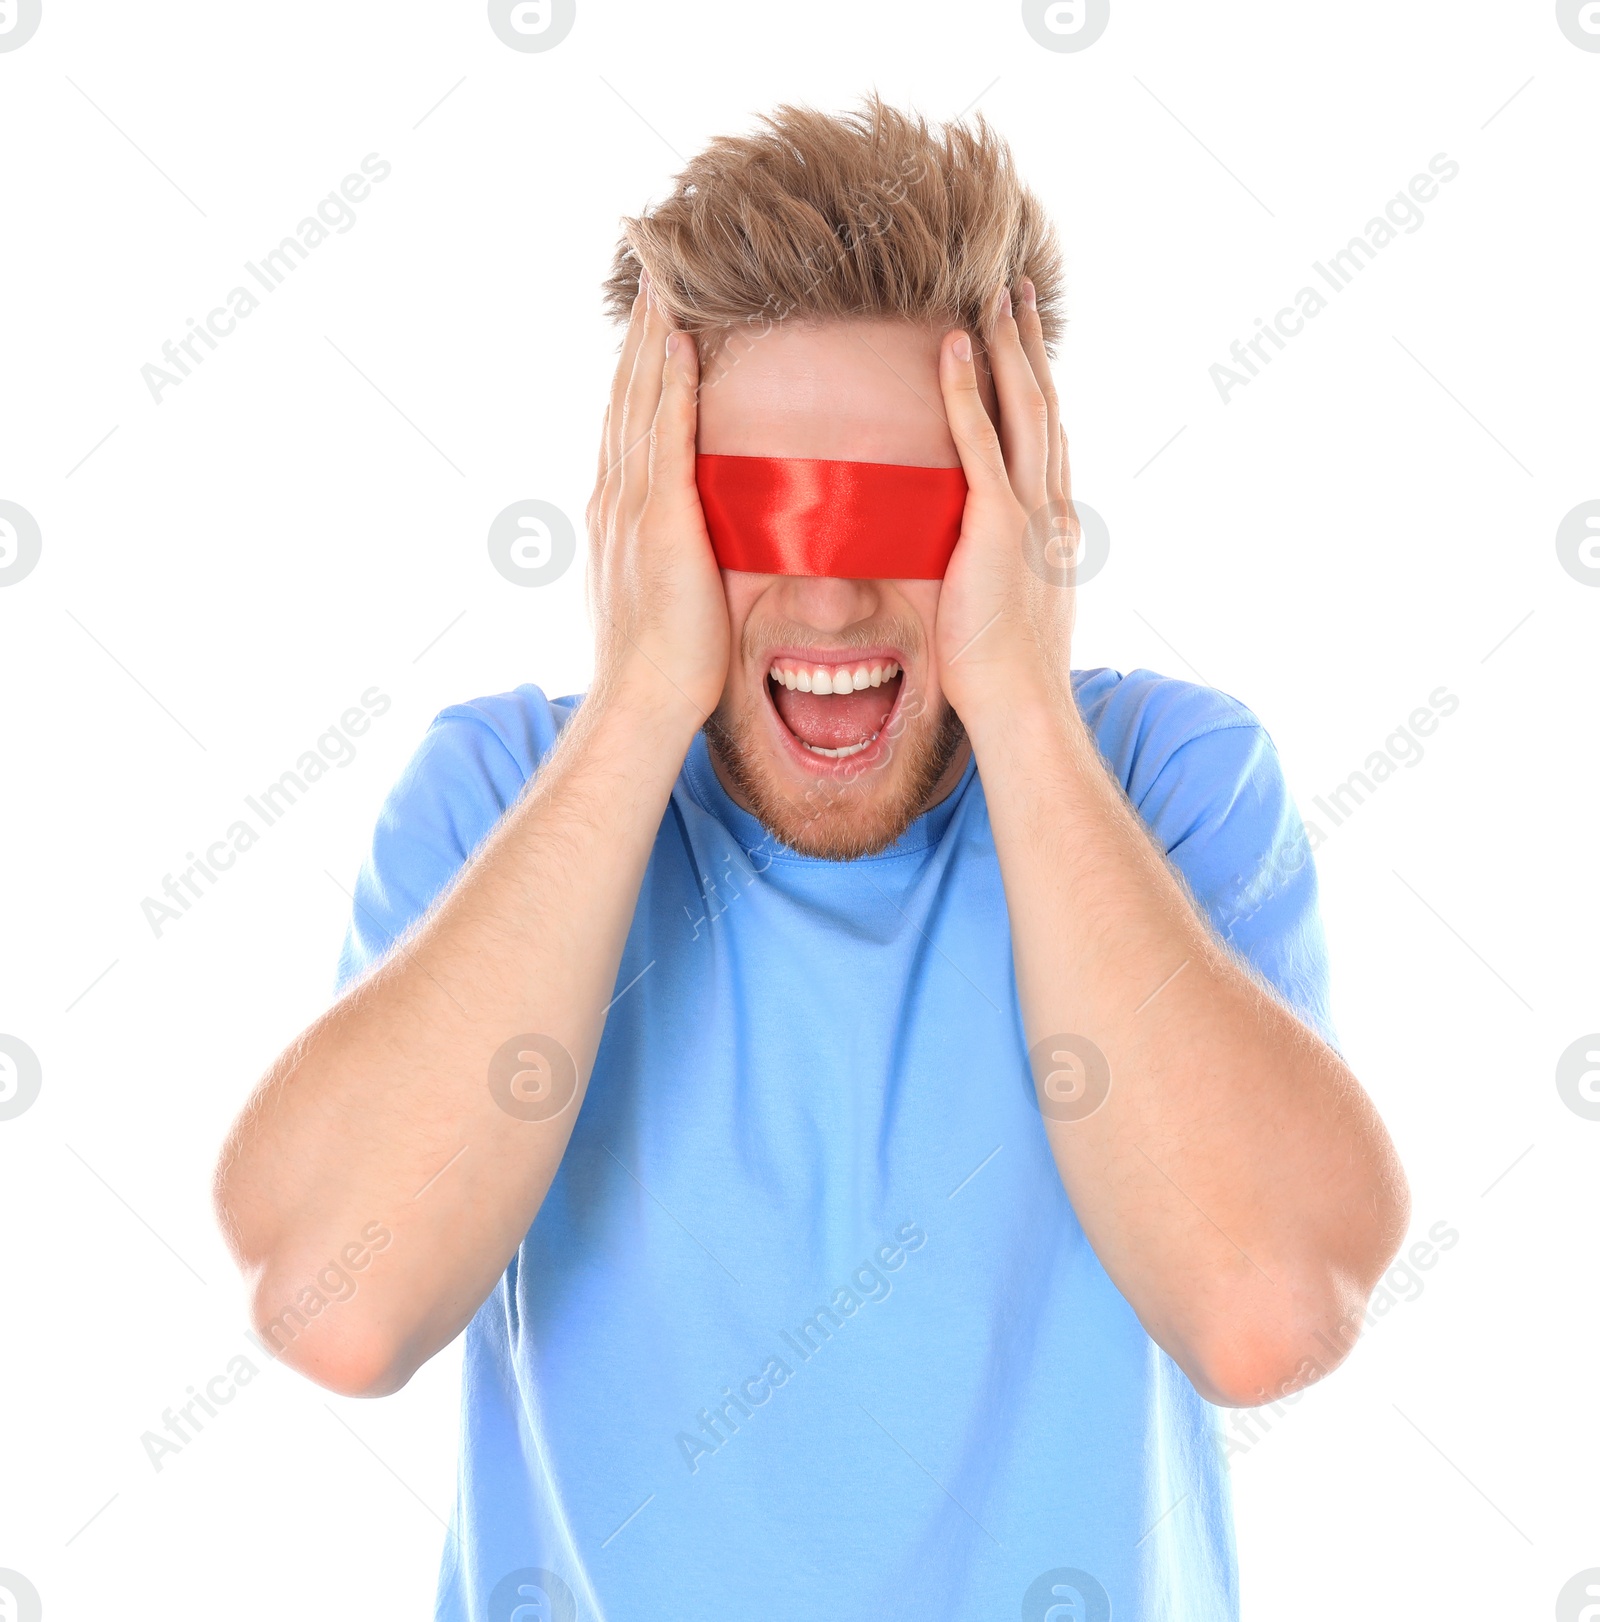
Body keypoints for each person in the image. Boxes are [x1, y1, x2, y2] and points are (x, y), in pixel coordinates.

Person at [213, 98, 1409, 1621]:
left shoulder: (1166, 783)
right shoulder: (506, 791)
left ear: (1022, 512)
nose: (832, 594)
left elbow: (1266, 1317)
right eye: (753, 508)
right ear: (644, 509)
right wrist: (643, 695)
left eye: (908, 511)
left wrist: (1024, 704)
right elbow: (339, 1306)